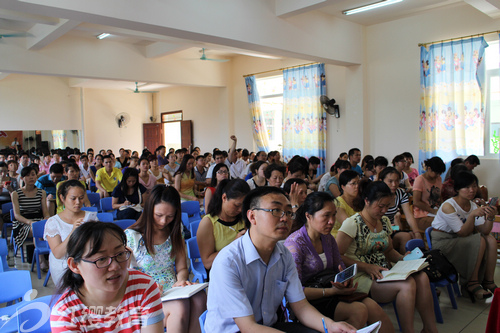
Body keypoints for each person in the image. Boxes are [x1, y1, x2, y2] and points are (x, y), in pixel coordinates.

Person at [205, 186, 356, 333]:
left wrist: (330, 326)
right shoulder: (229, 262)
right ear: (252, 216)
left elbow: (301, 307)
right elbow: (248, 328)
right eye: (276, 210)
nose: (285, 218)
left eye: (289, 212)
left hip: (269, 326)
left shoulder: (284, 256)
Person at [336, 181, 438, 333]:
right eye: (380, 206)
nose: (384, 210)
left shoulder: (383, 222)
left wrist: (403, 258)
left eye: (388, 206)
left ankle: (430, 329)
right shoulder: (352, 224)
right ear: (367, 201)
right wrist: (367, 267)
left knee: (422, 277)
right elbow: (337, 256)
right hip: (362, 276)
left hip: (384, 271)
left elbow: (389, 251)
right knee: (407, 285)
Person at [285, 192, 394, 332]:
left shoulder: (328, 239)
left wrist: (345, 281)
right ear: (308, 216)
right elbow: (296, 291)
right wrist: (331, 291)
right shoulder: (295, 245)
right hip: (307, 302)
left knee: (373, 307)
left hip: (332, 292)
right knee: (359, 310)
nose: (332, 221)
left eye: (334, 215)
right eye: (326, 216)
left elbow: (340, 267)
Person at [50, 222, 164, 332]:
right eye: (101, 259)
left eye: (120, 254)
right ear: (75, 265)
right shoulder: (65, 314)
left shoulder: (144, 287)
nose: (115, 266)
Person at [125, 185, 206, 332]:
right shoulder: (132, 237)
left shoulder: (175, 231)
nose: (163, 221)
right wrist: (150, 290)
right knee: (180, 307)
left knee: (200, 297)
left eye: (170, 216)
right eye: (159, 215)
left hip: (172, 290)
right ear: (149, 211)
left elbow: (181, 267)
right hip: (145, 296)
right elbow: (125, 278)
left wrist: (181, 280)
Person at [431, 171, 497, 302]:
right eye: (466, 187)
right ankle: (472, 283)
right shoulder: (449, 206)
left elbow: (485, 230)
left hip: (458, 239)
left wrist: (490, 217)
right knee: (480, 240)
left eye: (474, 186)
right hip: (443, 242)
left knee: (490, 240)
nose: (471, 190)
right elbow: (462, 232)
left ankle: (488, 281)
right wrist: (472, 216)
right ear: (457, 189)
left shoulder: (472, 205)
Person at [44, 180, 97, 286]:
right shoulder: (53, 222)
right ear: (62, 198)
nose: (78, 202)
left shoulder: (90, 216)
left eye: (81, 198)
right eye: (73, 198)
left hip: (88, 261)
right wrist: (74, 232)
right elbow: (58, 254)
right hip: (64, 266)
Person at [197, 179, 250, 273]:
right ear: (224, 198)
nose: (240, 209)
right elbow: (207, 263)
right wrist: (234, 245)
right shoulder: (208, 223)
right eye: (237, 205)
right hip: (221, 273)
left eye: (244, 206)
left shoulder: (243, 219)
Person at [11, 166, 50, 268]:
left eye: (33, 175)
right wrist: (29, 222)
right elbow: (17, 215)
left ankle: (53, 256)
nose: (31, 178)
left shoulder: (41, 192)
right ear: (23, 178)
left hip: (38, 219)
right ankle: (41, 259)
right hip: (22, 222)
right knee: (35, 228)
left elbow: (45, 212)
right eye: (27, 176)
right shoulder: (16, 194)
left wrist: (47, 219)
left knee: (48, 227)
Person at [379, 167, 422, 254]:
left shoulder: (400, 193)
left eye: (397, 181)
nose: (394, 184)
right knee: (406, 236)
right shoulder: (377, 195)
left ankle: (409, 262)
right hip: (379, 231)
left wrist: (417, 232)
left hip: (394, 228)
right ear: (381, 181)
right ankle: (403, 262)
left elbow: (409, 215)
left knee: (412, 235)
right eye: (390, 181)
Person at [413, 156, 446, 231]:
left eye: (440, 173)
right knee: (442, 223)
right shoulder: (420, 180)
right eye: (436, 173)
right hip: (422, 216)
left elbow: (439, 197)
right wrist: (432, 211)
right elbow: (416, 202)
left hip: (436, 212)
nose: (438, 175)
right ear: (429, 168)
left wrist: (444, 208)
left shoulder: (438, 179)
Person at [332, 170, 360, 237]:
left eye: (358, 183)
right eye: (353, 183)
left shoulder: (358, 200)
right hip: (339, 238)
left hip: (356, 237)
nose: (357, 186)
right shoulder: (338, 203)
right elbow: (349, 226)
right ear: (343, 187)